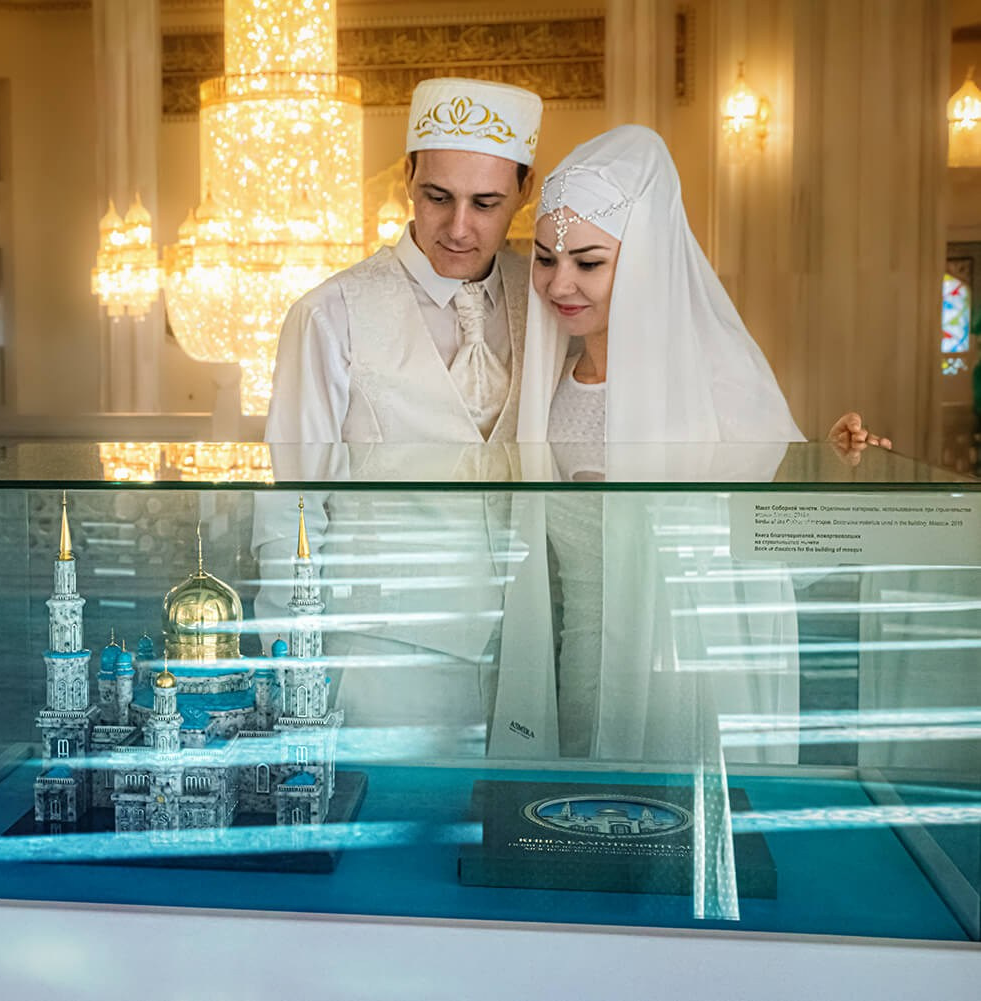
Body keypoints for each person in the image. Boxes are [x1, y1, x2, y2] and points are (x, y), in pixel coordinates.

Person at [489, 125, 886, 767]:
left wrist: (835, 467)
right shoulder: (547, 387)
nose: (560, 285)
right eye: (545, 259)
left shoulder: (716, 381)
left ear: (644, 259)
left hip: (688, 673)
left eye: (588, 262)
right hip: (582, 662)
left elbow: (784, 544)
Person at [264, 77, 542, 444]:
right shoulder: (328, 315)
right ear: (408, 177)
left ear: (525, 190)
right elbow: (299, 479)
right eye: (438, 198)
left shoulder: (544, 299)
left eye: (485, 204)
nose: (458, 229)